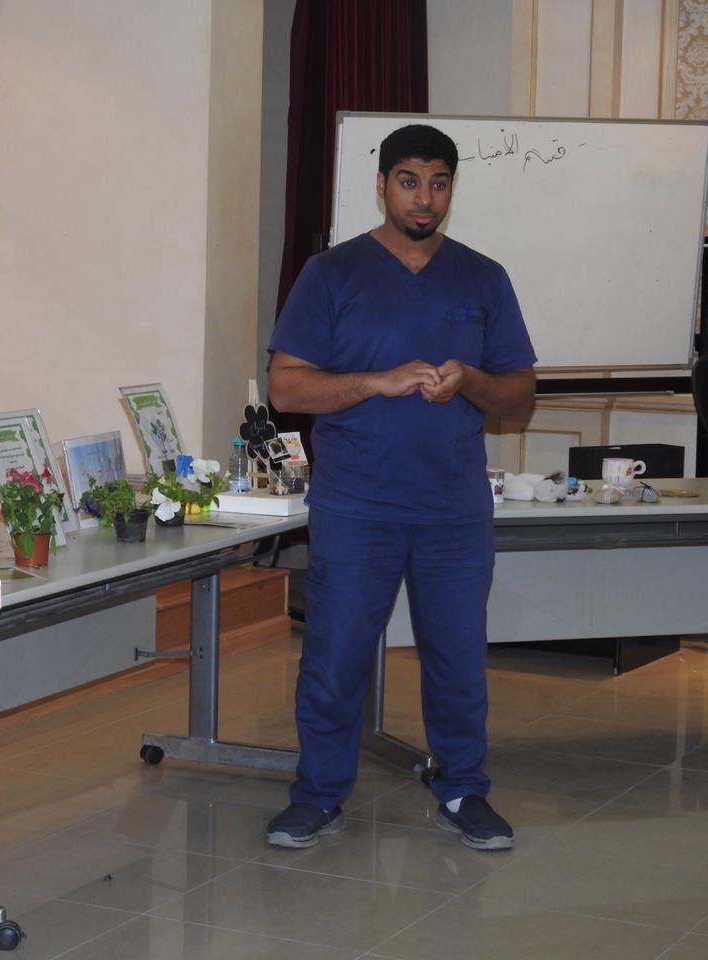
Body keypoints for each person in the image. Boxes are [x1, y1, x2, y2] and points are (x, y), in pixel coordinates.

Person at [265, 124, 536, 851]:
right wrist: (374, 382)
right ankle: (318, 795)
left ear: (451, 189)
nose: (425, 198)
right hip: (357, 504)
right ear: (382, 185)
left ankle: (463, 789)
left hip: (453, 507)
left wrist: (471, 379)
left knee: (457, 657)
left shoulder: (483, 276)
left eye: (439, 182)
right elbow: (286, 386)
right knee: (336, 656)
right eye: (409, 181)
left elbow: (519, 394)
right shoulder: (331, 273)